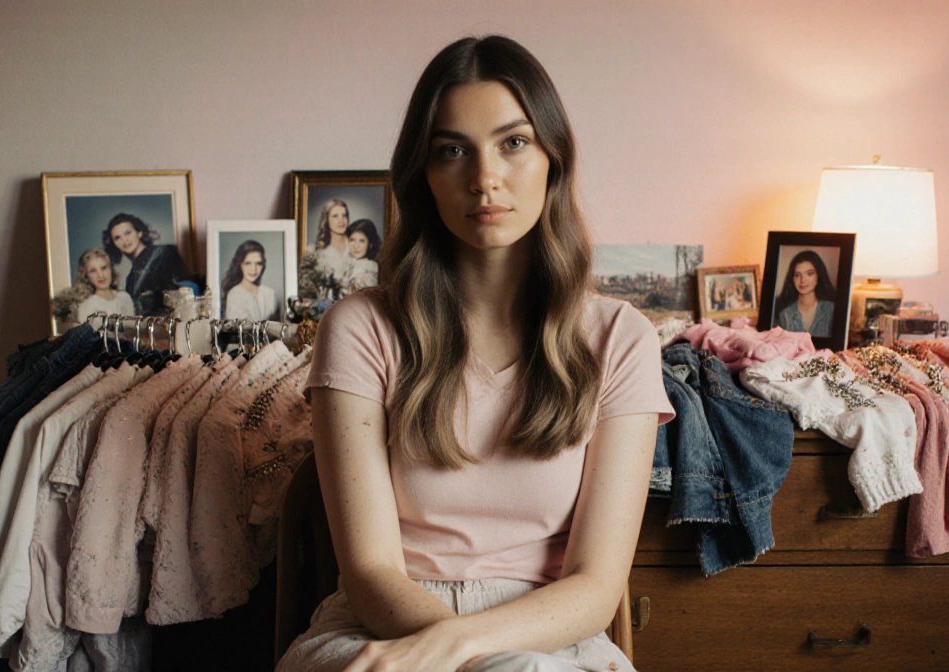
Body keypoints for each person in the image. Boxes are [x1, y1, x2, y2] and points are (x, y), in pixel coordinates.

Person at [278, 35, 674, 672]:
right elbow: (371, 570)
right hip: (380, 627)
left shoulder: (619, 337)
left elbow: (596, 589)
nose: (484, 178)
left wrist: (469, 649)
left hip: (551, 637)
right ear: (424, 175)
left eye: (513, 143)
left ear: (554, 158)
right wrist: (457, 651)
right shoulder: (359, 327)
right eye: (451, 150)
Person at [102, 213, 191, 316]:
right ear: (114, 244)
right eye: (117, 238)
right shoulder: (131, 280)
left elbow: (186, 290)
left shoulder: (164, 253)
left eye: (127, 233)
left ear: (139, 232)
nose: (124, 240)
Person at [774, 250, 836, 338]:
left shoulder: (831, 310)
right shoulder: (784, 314)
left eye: (809, 274)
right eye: (797, 275)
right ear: (792, 278)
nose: (802, 280)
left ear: (818, 275)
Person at [220, 239, 278, 320]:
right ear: (240, 265)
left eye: (258, 263)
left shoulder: (270, 294)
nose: (253, 269)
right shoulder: (234, 295)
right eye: (248, 263)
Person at [72, 248, 134, 320]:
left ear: (111, 269)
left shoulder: (124, 298)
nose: (100, 275)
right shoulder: (88, 305)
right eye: (93, 271)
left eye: (104, 268)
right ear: (86, 275)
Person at [313, 199, 355, 282]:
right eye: (335, 216)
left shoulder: (356, 244)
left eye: (344, 215)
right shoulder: (319, 252)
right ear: (326, 220)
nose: (341, 220)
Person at [343, 218, 382, 291]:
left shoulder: (370, 267)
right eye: (352, 240)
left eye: (362, 241)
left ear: (370, 244)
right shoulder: (347, 262)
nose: (356, 246)